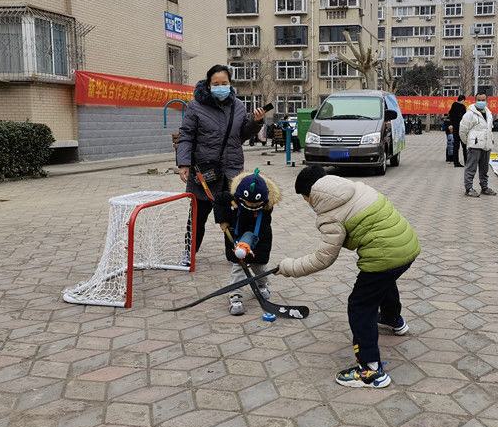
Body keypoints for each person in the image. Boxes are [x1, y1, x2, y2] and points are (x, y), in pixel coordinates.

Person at [277, 166, 420, 388]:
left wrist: (288, 267)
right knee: (383, 281)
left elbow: (323, 259)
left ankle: (370, 370)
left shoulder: (330, 215)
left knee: (360, 305)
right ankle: (394, 320)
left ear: (312, 194)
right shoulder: (355, 188)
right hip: (407, 247)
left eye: (306, 199)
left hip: (384, 256)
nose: (308, 204)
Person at [176, 65, 264, 263]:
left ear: (230, 84)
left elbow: (241, 135)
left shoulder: (239, 106)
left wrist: (256, 122)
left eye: (224, 83)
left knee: (234, 214)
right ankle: (189, 253)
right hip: (204, 172)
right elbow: (186, 136)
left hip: (231, 171)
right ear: (208, 85)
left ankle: (235, 252)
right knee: (198, 216)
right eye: (216, 84)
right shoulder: (196, 106)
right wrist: (183, 164)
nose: (220, 87)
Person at [213, 169, 280, 315]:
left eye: (255, 203)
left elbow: (262, 229)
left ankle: (262, 285)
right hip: (236, 238)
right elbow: (218, 199)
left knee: (259, 267)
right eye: (248, 202)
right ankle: (235, 295)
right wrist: (223, 220)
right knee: (238, 267)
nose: (251, 205)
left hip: (259, 239)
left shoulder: (266, 209)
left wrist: (251, 244)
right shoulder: (233, 199)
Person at [460, 92, 497, 197]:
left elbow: (489, 129)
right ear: (475, 101)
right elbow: (462, 130)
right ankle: (469, 188)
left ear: (487, 100)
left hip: (486, 144)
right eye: (479, 100)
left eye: (483, 99)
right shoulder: (470, 114)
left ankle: (484, 187)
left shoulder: (489, 113)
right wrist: (469, 142)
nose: (481, 102)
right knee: (471, 168)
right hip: (474, 145)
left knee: (484, 168)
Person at [447, 95, 467, 167]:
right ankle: (466, 162)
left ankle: (456, 162)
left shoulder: (453, 106)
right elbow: (465, 118)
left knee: (456, 146)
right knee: (464, 146)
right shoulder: (462, 107)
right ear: (462, 100)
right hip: (462, 129)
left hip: (455, 129)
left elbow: (450, 117)